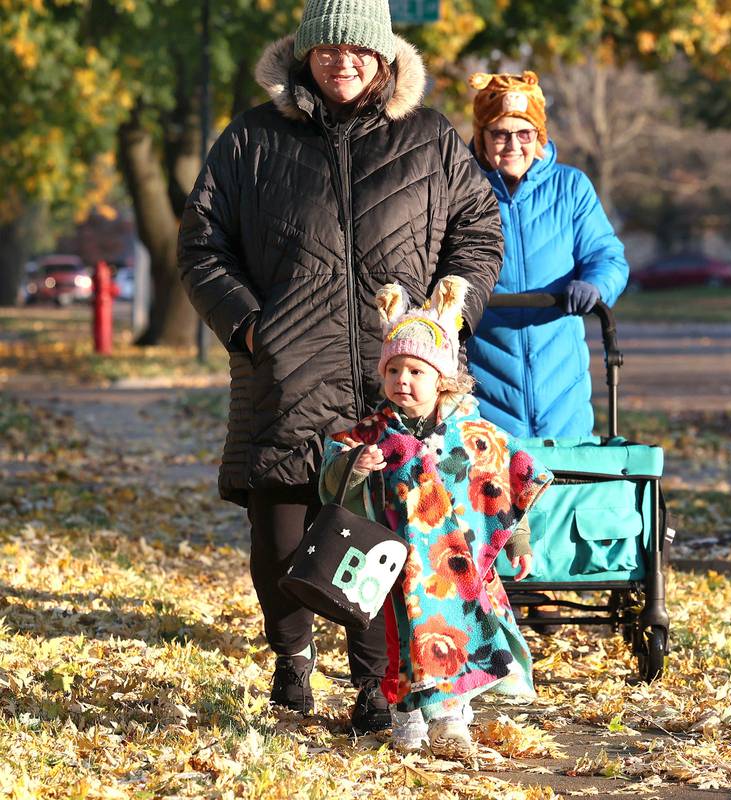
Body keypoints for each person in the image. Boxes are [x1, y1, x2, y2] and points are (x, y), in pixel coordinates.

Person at [177, 0, 504, 735]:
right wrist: (250, 326)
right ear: (304, 55)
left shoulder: (430, 139)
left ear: (384, 57)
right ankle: (292, 659)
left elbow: (477, 232)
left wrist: (447, 318)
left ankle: (374, 688)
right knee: (282, 541)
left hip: (394, 382)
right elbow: (202, 242)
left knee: (380, 536)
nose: (341, 62)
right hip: (287, 373)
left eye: (356, 50)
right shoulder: (252, 139)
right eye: (325, 49)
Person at [320, 276, 553, 758]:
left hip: (457, 564)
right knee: (401, 639)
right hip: (398, 563)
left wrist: (518, 541)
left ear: (442, 378)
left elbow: (504, 481)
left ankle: (451, 720)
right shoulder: (373, 433)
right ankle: (406, 716)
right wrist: (355, 466)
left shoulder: (473, 434)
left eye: (415, 371)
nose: (402, 381)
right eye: (393, 371)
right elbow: (330, 475)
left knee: (458, 632)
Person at [465, 71, 629, 439]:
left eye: (524, 133)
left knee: (564, 484)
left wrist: (594, 285)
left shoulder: (570, 187)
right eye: (500, 133)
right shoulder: (463, 190)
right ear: (482, 138)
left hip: (561, 385)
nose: (512, 144)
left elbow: (607, 255)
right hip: (485, 381)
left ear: (538, 137)